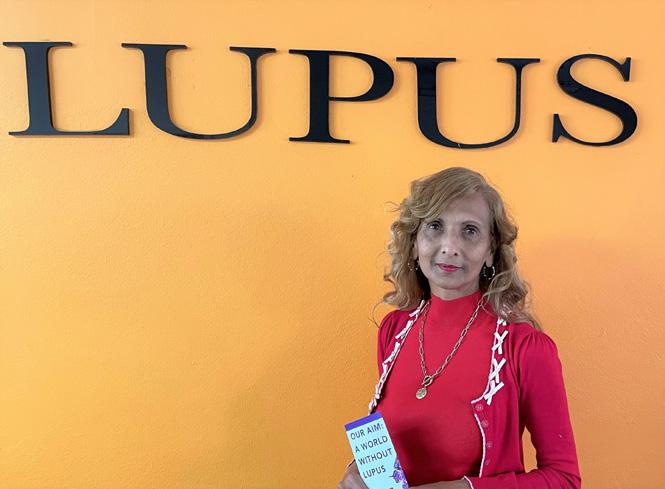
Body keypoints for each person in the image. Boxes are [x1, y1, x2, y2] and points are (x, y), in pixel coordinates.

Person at [338, 167, 581, 489]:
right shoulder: (393, 330)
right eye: (435, 226)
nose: (450, 247)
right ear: (414, 242)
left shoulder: (525, 348)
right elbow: (388, 447)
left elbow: (564, 479)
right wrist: (358, 471)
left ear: (491, 249)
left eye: (469, 230)